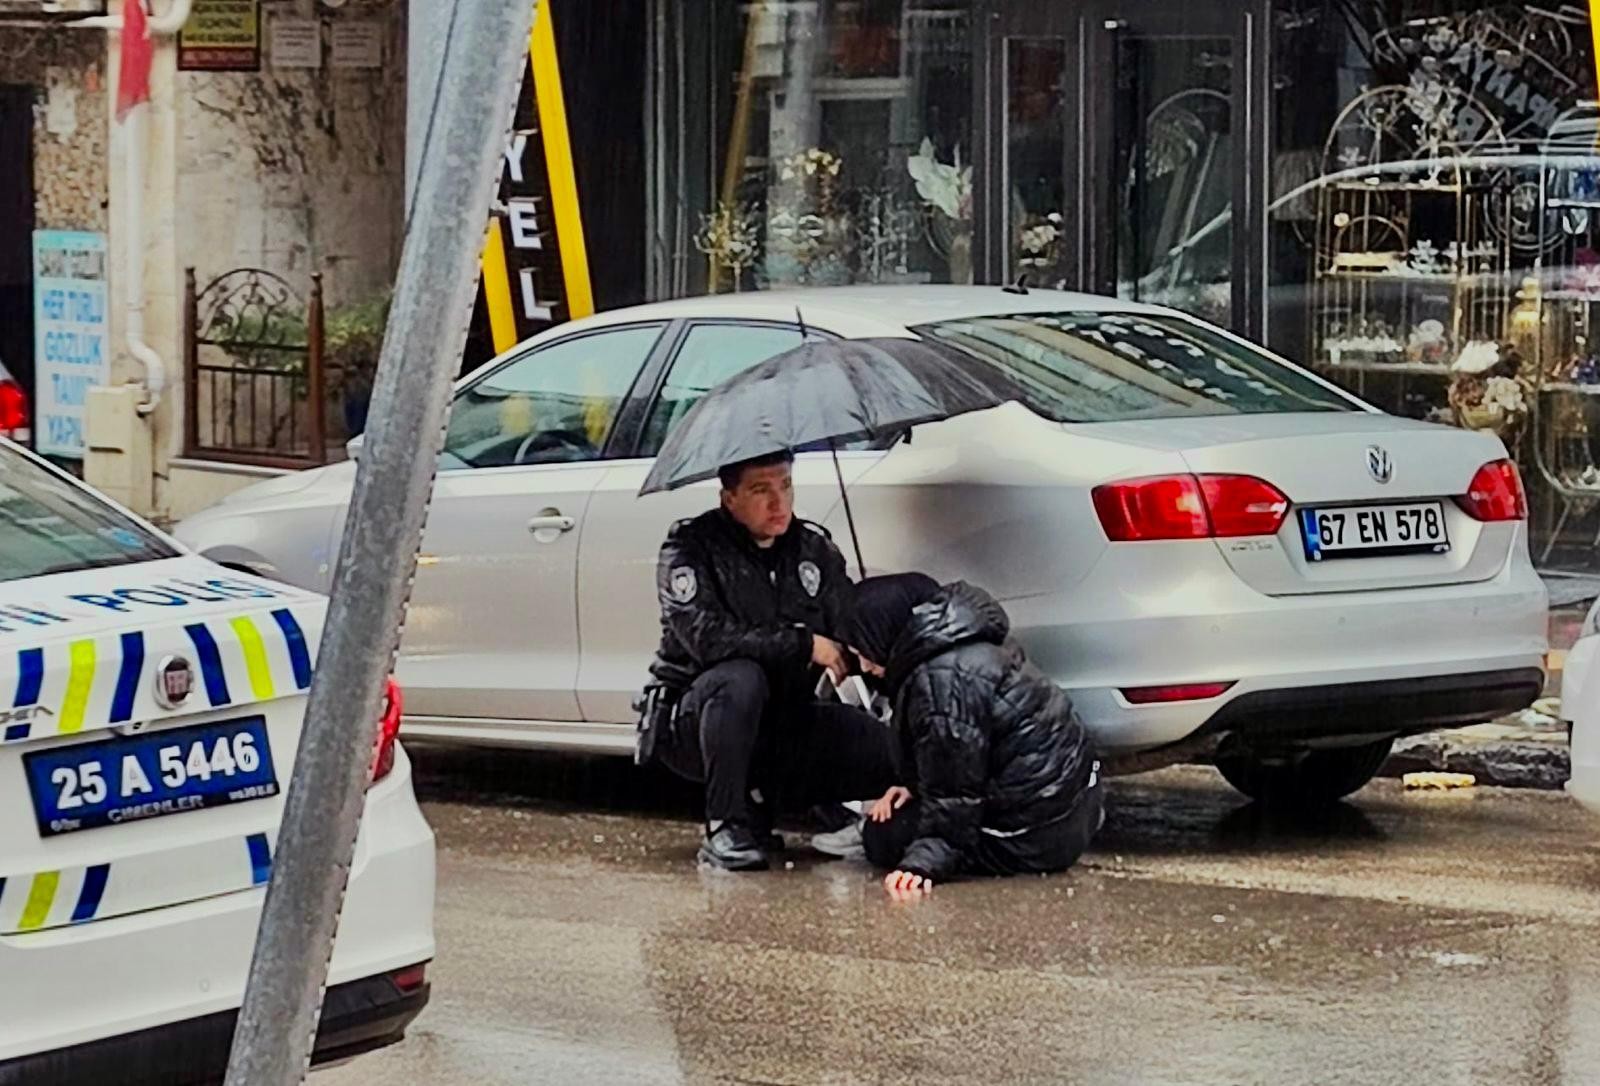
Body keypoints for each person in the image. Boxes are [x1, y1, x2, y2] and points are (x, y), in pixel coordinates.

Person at [640, 449, 899, 872]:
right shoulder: (690, 548)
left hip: (785, 719)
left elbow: (851, 632)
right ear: (730, 498)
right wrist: (803, 644)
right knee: (740, 679)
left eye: (786, 486)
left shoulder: (813, 548)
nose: (779, 503)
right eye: (761, 490)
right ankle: (724, 825)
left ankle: (862, 817)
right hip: (696, 719)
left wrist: (874, 651)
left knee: (891, 749)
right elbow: (706, 639)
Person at [845, 573, 1102, 898]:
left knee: (884, 835)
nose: (864, 666)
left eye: (865, 651)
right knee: (900, 818)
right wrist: (914, 787)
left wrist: (923, 863)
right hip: (1076, 809)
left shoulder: (943, 680)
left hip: (1035, 835)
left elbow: (955, 791)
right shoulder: (966, 644)